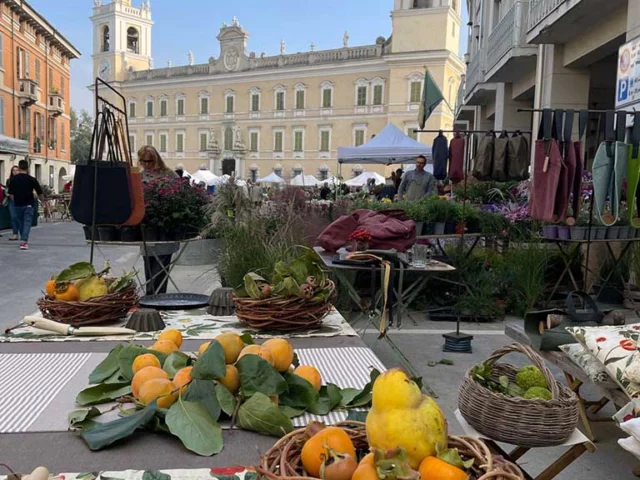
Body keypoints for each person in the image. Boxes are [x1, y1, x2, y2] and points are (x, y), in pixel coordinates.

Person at [138, 145, 179, 295]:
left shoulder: (169, 174)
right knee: (148, 263)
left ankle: (158, 297)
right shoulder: (140, 176)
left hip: (165, 226)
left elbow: (179, 195)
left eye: (150, 161)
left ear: (157, 159)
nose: (147, 164)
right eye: (144, 161)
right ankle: (151, 297)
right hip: (146, 226)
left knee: (161, 264)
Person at [7, 160, 42, 250]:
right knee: (27, 223)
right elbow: (39, 192)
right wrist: (43, 201)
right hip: (29, 204)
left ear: (19, 168)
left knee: (20, 223)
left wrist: (15, 200)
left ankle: (23, 239)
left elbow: (10, 193)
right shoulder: (32, 179)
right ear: (28, 168)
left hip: (17, 204)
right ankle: (24, 241)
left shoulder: (13, 180)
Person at [5, 166, 20, 240]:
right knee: (13, 217)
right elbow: (7, 189)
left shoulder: (22, 180)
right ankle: (15, 234)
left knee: (19, 217)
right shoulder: (9, 180)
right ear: (11, 172)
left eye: (17, 170)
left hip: (21, 200)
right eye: (13, 170)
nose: (15, 172)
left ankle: (23, 233)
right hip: (12, 200)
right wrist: (7, 194)